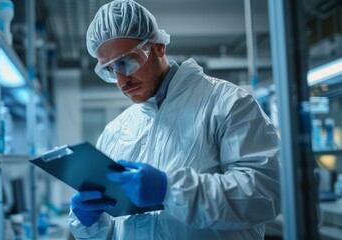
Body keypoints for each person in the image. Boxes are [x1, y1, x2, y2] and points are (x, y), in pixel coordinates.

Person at [68, 0, 281, 239]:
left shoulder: (228, 104)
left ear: (159, 46)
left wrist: (170, 190)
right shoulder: (116, 130)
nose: (121, 81)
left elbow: (265, 194)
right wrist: (88, 221)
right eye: (109, 70)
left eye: (126, 62)